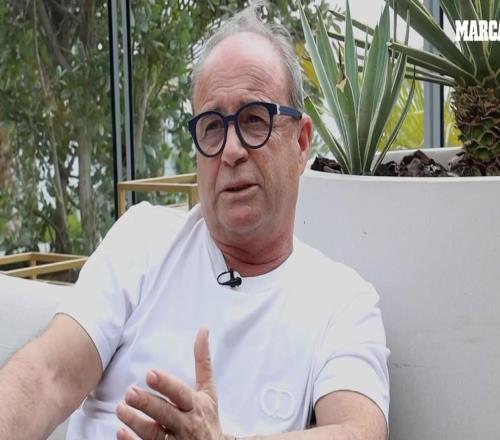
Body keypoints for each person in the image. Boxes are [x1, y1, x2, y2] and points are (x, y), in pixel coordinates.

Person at [0, 2, 389, 439]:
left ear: (300, 143)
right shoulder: (143, 241)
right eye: (212, 127)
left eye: (254, 120)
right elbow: (48, 375)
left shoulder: (340, 301)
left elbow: (358, 430)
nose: (231, 151)